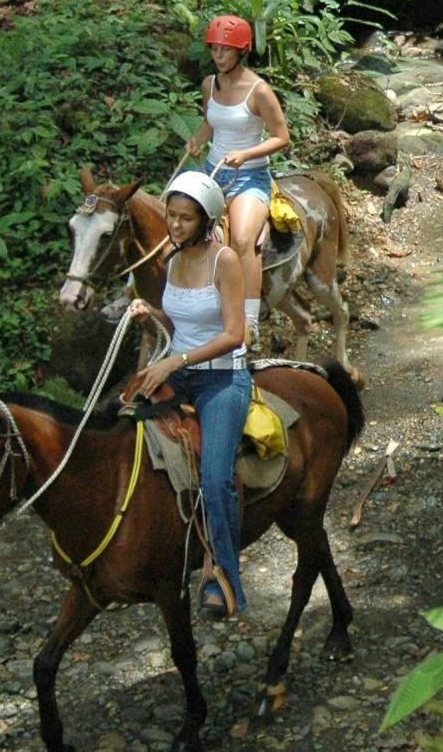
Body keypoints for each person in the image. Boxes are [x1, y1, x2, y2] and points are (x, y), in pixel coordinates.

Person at [123, 171, 251, 620]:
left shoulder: (226, 262)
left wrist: (175, 362)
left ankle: (224, 576)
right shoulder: (173, 260)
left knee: (215, 478)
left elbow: (236, 335)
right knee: (120, 426)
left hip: (220, 378)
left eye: (185, 219)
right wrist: (149, 313)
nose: (174, 225)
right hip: (178, 370)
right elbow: (181, 322)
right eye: (172, 216)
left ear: (206, 221)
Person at [183, 15, 290, 343]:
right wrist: (197, 139)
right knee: (178, 223)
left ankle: (250, 321)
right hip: (213, 173)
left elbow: (282, 137)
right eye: (214, 48)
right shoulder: (209, 85)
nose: (219, 55)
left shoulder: (259, 90)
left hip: (249, 176)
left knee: (243, 240)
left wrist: (247, 154)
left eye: (225, 49)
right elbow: (210, 122)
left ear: (240, 51)